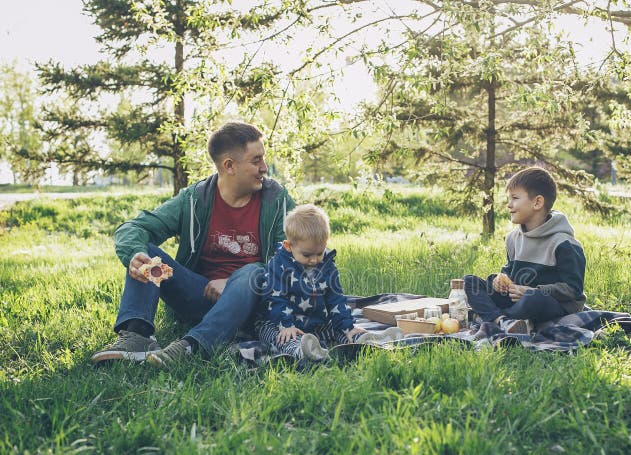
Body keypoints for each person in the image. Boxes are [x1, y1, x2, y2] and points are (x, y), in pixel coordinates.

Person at [91, 121, 294, 367]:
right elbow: (134, 228)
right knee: (148, 254)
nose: (264, 168)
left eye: (263, 159)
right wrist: (135, 254)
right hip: (199, 295)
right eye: (256, 160)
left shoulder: (277, 200)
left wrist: (230, 283)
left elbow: (289, 260)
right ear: (229, 166)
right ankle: (137, 334)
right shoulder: (195, 199)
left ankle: (192, 345)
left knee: (252, 271)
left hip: (253, 300)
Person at [256, 204, 402, 361]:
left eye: (319, 253)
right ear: (288, 246)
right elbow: (274, 298)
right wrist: (285, 324)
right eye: (307, 255)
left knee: (338, 329)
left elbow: (336, 299)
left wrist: (348, 326)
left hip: (316, 323)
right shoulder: (278, 265)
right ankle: (303, 351)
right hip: (280, 323)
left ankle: (364, 341)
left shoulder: (326, 265)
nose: (314, 260)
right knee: (279, 336)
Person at [463, 167, 586, 334]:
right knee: (471, 282)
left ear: (537, 202)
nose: (509, 205)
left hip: (550, 304)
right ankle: (503, 321)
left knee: (532, 299)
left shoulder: (564, 243)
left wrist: (535, 291)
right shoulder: (513, 238)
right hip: (517, 300)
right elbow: (510, 273)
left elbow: (573, 289)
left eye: (515, 198)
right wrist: (498, 280)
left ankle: (490, 317)